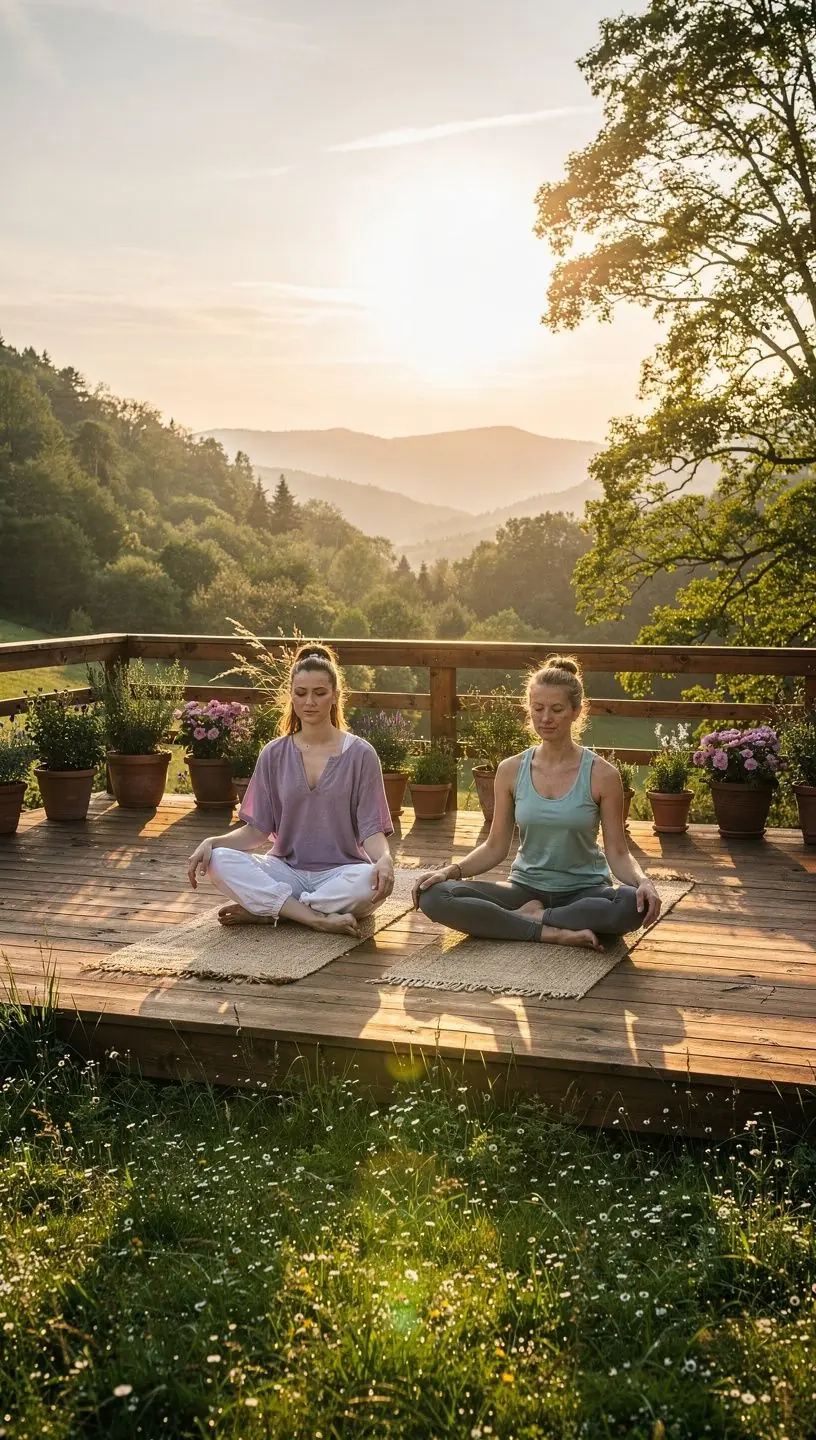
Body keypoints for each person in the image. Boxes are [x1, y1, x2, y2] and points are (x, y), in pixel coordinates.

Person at [413, 655, 661, 951]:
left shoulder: (602, 775)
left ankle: (531, 919)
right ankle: (551, 932)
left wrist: (643, 880)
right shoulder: (510, 770)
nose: (546, 718)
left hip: (585, 891)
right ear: (528, 709)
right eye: (538, 708)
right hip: (524, 889)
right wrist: (447, 872)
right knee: (434, 895)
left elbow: (618, 853)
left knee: (630, 906)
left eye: (557, 709)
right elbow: (495, 847)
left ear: (576, 711)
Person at [186, 643, 395, 937]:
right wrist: (214, 841)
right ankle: (314, 918)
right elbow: (256, 831)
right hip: (286, 870)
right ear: (291, 696)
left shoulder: (361, 754)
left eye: (320, 693)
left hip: (342, 873)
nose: (310, 702)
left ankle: (277, 911)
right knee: (218, 861)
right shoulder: (273, 754)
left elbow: (371, 831)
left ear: (335, 696)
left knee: (370, 883)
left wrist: (384, 859)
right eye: (301, 693)